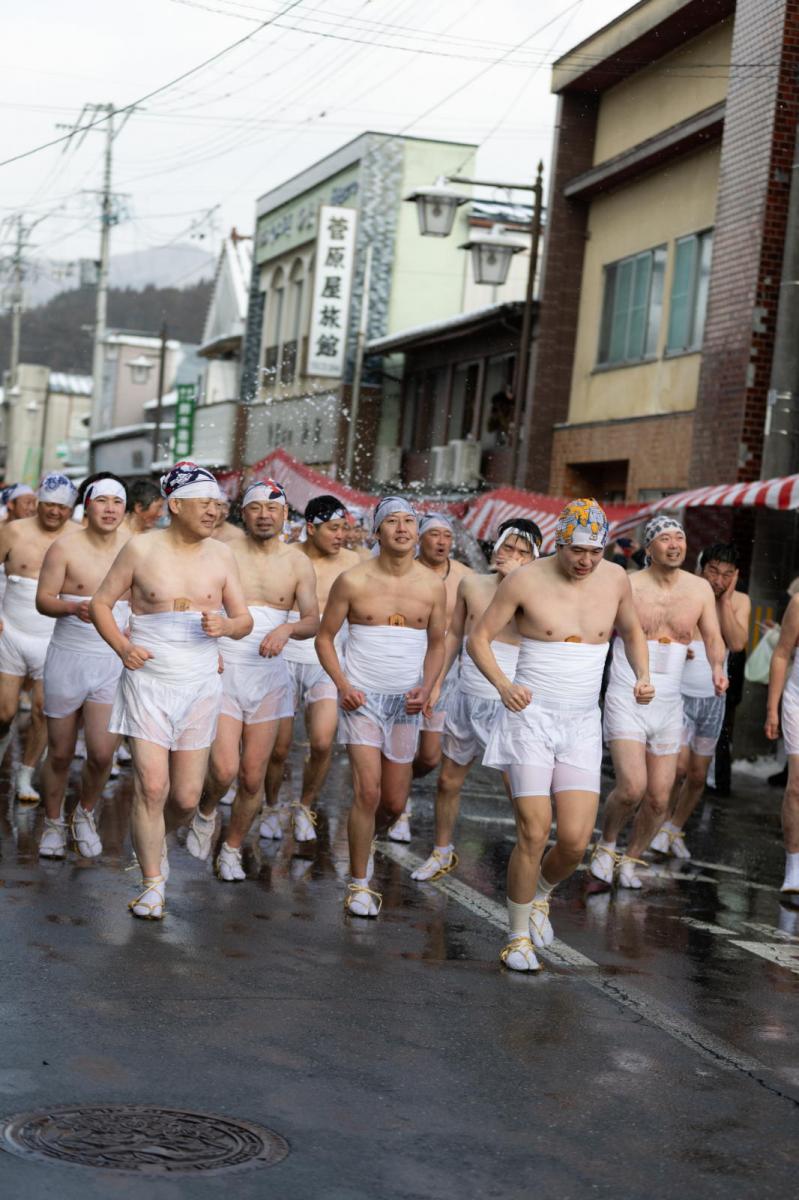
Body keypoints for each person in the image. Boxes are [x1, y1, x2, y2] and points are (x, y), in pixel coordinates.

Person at [469, 498, 653, 972]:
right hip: (530, 718)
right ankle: (515, 937)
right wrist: (504, 685)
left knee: (573, 841)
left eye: (594, 551)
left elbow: (632, 632)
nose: (586, 560)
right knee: (534, 830)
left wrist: (642, 675)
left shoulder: (615, 579)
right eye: (577, 550)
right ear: (559, 542)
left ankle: (542, 896)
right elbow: (479, 638)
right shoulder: (524, 580)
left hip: (580, 725)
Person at [90, 462, 252, 919]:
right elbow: (102, 604)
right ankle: (152, 883)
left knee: (184, 797)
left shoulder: (222, 555)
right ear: (175, 505)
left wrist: (227, 625)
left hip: (200, 682)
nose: (214, 510)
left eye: (217, 503)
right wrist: (123, 647)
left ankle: (156, 841)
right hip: (148, 679)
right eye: (205, 502)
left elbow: (244, 621)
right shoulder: (140, 549)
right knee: (152, 786)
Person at [316, 496, 446, 918]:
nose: (403, 528)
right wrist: (343, 685)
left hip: (406, 704)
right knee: (367, 792)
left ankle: (364, 841)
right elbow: (325, 637)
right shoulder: (353, 581)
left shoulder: (431, 585)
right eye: (393, 521)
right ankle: (358, 883)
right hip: (363, 700)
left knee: (392, 802)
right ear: (377, 531)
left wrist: (427, 688)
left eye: (410, 521)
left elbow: (439, 642)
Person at [188, 478, 318, 880]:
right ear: (243, 513)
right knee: (224, 770)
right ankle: (207, 810)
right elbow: (199, 604)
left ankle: (231, 849)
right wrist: (211, 648)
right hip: (226, 667)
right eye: (256, 508)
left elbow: (312, 620)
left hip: (269, 676)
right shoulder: (222, 553)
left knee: (252, 776)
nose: (265, 515)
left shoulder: (297, 562)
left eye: (273, 509)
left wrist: (287, 631)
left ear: (285, 515)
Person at [591, 516, 727, 890]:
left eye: (679, 537)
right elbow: (597, 627)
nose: (674, 544)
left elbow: (713, 637)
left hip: (669, 702)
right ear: (648, 548)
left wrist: (717, 667)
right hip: (627, 693)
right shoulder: (628, 584)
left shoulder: (699, 589)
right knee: (632, 787)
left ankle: (631, 859)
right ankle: (606, 844)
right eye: (664, 538)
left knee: (658, 798)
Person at [412, 518, 541, 883]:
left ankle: (527, 857)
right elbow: (454, 634)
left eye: (521, 552)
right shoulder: (472, 583)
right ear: (495, 547)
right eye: (506, 547)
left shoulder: (536, 592)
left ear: (534, 558)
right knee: (448, 780)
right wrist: (436, 682)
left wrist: (520, 580)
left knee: (517, 787)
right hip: (467, 693)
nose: (510, 556)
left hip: (510, 698)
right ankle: (441, 850)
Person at [36, 476, 131, 858]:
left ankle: (86, 814)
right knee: (59, 753)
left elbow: (145, 602)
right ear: (87, 507)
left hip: (111, 659)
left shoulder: (134, 549)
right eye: (102, 501)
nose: (110, 509)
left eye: (117, 502)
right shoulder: (65, 547)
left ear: (124, 510)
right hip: (68, 656)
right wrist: (73, 607)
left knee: (102, 753)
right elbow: (43, 600)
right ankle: (53, 821)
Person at [265, 494, 360, 842]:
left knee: (322, 742)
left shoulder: (355, 562)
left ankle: (304, 805)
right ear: (310, 528)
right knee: (278, 747)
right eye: (333, 529)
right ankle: (272, 805)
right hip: (285, 658)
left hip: (326, 661)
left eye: (344, 529)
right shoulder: (289, 557)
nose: (341, 536)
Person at [652, 543, 750, 859]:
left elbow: (735, 642)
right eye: (713, 571)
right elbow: (658, 636)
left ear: (735, 577)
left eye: (727, 575)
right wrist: (679, 651)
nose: (719, 580)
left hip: (713, 698)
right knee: (677, 768)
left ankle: (673, 828)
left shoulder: (741, 602)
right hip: (678, 695)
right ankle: (657, 825)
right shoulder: (684, 593)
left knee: (697, 775)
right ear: (700, 568)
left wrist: (723, 601)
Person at [386, 512, 472, 844]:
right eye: (433, 535)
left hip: (446, 675)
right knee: (402, 748)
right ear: (420, 538)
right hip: (406, 669)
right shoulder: (407, 573)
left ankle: (399, 785)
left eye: (446, 536)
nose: (440, 542)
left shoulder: (464, 577)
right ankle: (399, 808)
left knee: (430, 757)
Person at [0, 472, 78, 802]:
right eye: (49, 505)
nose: (55, 512)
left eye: (62, 507)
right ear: (39, 503)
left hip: (54, 637)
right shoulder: (13, 531)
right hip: (11, 632)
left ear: (71, 509)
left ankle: (25, 773)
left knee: (44, 710)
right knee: (4, 712)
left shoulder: (79, 537)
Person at [764, 590, 799, 898]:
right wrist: (772, 708)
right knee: (797, 786)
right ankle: (794, 866)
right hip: (798, 701)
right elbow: (782, 653)